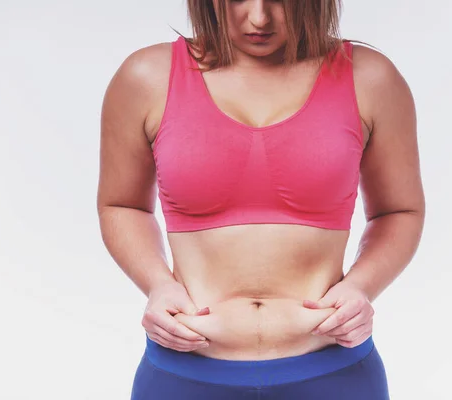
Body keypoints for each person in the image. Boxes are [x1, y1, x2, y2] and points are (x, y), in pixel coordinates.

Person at [97, 0, 424, 398]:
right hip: (184, 373)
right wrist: (158, 286)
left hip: (334, 373)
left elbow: (399, 210)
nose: (258, 18)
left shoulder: (370, 78)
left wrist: (361, 287)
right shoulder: (147, 77)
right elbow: (122, 204)